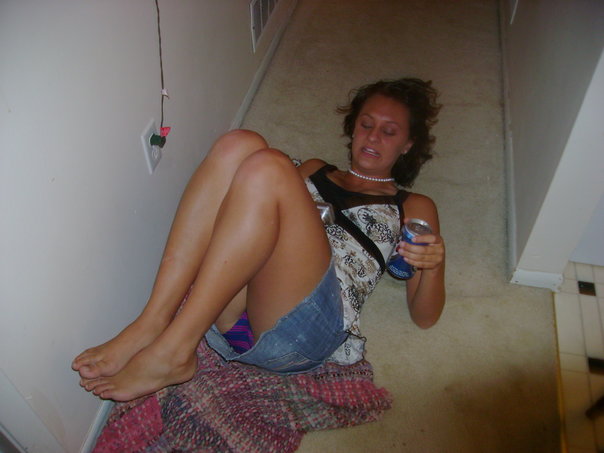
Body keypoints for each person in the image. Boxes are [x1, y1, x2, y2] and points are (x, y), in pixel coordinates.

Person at [72, 78, 446, 402]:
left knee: (269, 166)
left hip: (302, 333)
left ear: (408, 144)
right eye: (366, 124)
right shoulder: (315, 169)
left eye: (389, 131)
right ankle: (153, 320)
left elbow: (425, 317)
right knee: (241, 143)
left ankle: (175, 350)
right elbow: (250, 206)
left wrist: (432, 266)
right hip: (236, 312)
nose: (373, 136)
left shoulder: (413, 206)